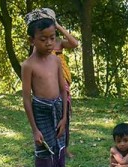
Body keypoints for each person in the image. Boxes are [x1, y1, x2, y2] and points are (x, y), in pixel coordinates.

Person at [22, 8, 78, 167]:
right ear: (31, 40)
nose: (48, 43)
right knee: (44, 153)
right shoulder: (28, 66)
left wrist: (64, 116)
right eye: (43, 39)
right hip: (41, 111)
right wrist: (35, 129)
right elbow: (27, 98)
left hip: (58, 109)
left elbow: (63, 88)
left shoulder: (55, 60)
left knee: (60, 148)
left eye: (52, 38)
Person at [52, 17, 79, 159]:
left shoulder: (59, 42)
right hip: (48, 82)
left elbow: (75, 43)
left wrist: (59, 27)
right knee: (52, 116)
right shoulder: (40, 43)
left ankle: (65, 148)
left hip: (63, 81)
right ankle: (52, 147)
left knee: (65, 116)